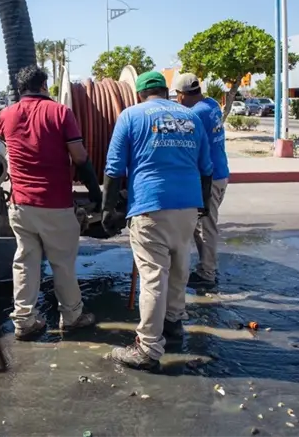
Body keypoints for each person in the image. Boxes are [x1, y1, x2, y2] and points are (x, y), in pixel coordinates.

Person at [101, 71, 213, 371]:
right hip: (189, 204)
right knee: (179, 267)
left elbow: (114, 168)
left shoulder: (131, 115)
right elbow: (206, 168)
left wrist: (108, 209)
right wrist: (201, 206)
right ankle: (174, 323)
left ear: (140, 94)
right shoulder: (192, 119)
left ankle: (148, 348)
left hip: (151, 206)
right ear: (166, 91)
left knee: (153, 276)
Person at [0, 65, 102, 340]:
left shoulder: (6, 114)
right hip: (55, 204)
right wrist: (96, 192)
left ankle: (24, 321)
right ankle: (72, 315)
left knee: (25, 262)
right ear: (44, 85)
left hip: (20, 205)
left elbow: (7, 143)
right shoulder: (60, 112)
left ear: (21, 89)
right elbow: (79, 156)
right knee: (62, 263)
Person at [173, 73, 230, 290]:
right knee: (201, 224)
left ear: (183, 95)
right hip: (220, 172)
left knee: (206, 225)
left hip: (209, 178)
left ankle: (208, 273)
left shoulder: (195, 115)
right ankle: (205, 268)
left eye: (178, 96)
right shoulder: (211, 104)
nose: (177, 100)